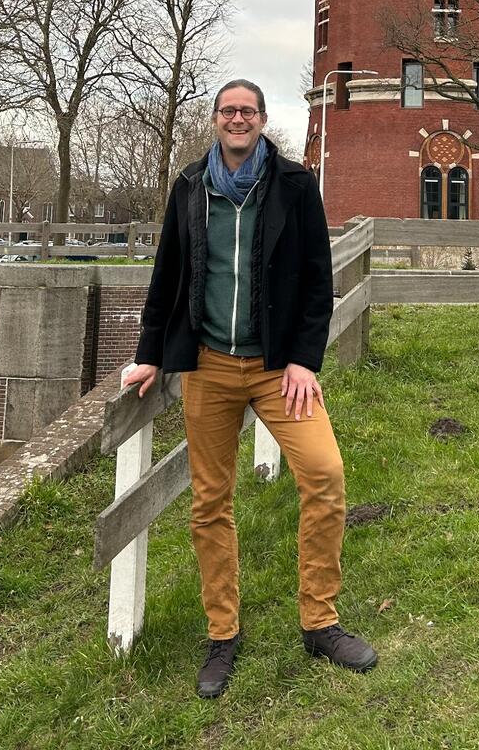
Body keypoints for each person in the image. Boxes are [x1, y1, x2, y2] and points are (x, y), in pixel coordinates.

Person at [123, 79, 377, 698]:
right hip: (209, 366)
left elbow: (317, 278)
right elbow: (167, 273)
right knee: (211, 502)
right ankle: (223, 634)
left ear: (263, 120)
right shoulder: (190, 186)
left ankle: (320, 621)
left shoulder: (294, 185)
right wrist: (149, 355)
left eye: (248, 111)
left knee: (325, 475)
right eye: (227, 111)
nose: (237, 119)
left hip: (276, 370)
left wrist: (304, 361)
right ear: (215, 120)